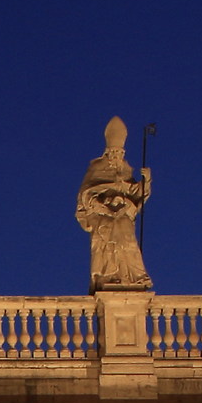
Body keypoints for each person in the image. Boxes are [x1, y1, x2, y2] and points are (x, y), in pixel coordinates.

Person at [75, 117, 151, 290]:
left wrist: (146, 180)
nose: (117, 156)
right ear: (108, 152)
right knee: (108, 230)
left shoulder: (125, 170)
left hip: (122, 214)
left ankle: (132, 276)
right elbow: (86, 194)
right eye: (114, 152)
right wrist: (103, 204)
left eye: (120, 153)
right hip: (102, 215)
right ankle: (109, 276)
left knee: (125, 230)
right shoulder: (96, 168)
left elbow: (136, 194)